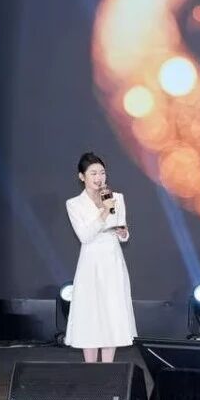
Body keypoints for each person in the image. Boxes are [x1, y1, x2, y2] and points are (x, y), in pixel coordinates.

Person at [64, 152, 136, 363]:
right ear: (82, 177)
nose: (99, 178)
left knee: (112, 312)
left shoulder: (117, 198)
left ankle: (108, 368)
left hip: (112, 259)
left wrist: (124, 232)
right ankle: (90, 370)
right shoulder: (74, 204)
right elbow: (85, 236)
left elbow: (122, 228)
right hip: (91, 262)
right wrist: (104, 212)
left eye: (102, 173)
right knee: (91, 314)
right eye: (93, 173)